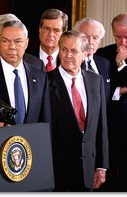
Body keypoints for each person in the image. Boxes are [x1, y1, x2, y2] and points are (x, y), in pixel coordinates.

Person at [49, 30, 109, 191]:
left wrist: (102, 166)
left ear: (85, 54)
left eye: (74, 51)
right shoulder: (46, 82)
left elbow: (101, 126)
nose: (68, 55)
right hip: (57, 171)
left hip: (88, 169)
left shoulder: (96, 81)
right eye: (64, 49)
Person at [0, 20, 51, 127]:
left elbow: (46, 120)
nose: (12, 46)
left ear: (26, 43)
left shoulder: (40, 77)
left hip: (31, 143)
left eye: (18, 41)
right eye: (5, 41)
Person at [96, 13, 127, 192]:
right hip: (108, 132)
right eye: (118, 37)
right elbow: (99, 89)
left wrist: (121, 64)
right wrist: (123, 89)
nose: (122, 42)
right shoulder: (103, 54)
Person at [74, 18, 111, 104]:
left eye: (95, 38)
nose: (90, 42)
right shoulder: (69, 62)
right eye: (86, 37)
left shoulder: (104, 63)